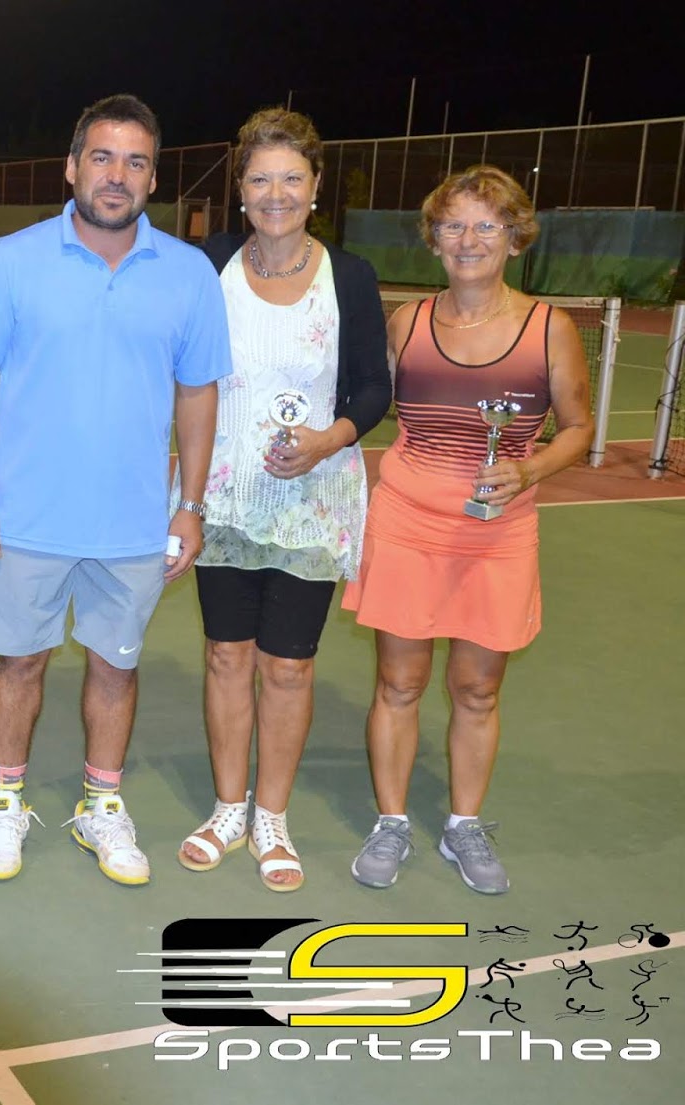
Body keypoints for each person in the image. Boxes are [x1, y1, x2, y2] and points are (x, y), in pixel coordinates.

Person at [0, 94, 230, 886]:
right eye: (102, 157)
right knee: (19, 664)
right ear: (72, 167)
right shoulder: (13, 259)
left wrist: (190, 504)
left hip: (134, 524)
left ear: (153, 179)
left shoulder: (189, 273)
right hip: (24, 519)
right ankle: (6, 800)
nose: (117, 175)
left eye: (136, 162)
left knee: (115, 668)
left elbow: (198, 394)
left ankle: (102, 803)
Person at [342, 165, 592, 894]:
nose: (469, 239)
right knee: (399, 681)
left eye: (487, 224)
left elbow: (578, 428)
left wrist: (529, 469)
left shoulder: (551, 329)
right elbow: (363, 396)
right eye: (453, 224)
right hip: (406, 521)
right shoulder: (407, 323)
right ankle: (391, 822)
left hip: (497, 533)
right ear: (434, 239)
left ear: (515, 237)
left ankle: (463, 825)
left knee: (477, 689)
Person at [174, 108, 390, 892]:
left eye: (291, 178)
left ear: (315, 185)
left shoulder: (351, 277)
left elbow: (373, 388)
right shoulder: (209, 264)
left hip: (312, 501)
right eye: (261, 178)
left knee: (290, 667)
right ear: (240, 188)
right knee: (226, 654)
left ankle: (272, 817)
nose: (276, 193)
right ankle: (228, 808)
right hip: (223, 496)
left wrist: (329, 440)